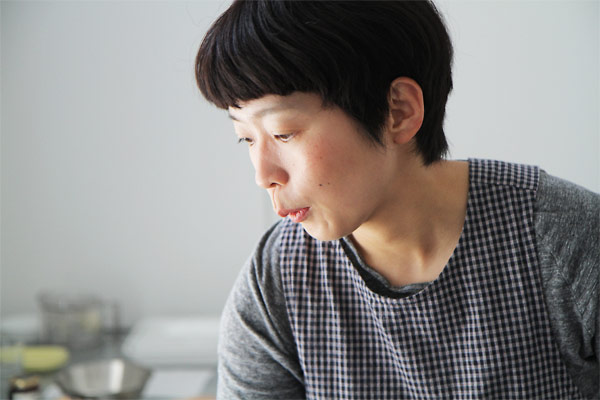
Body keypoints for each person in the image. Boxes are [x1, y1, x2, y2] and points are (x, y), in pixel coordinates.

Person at [194, 1, 599, 398]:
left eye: (284, 133)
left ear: (398, 111)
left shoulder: (564, 240)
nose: (263, 175)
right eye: (246, 139)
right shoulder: (276, 281)